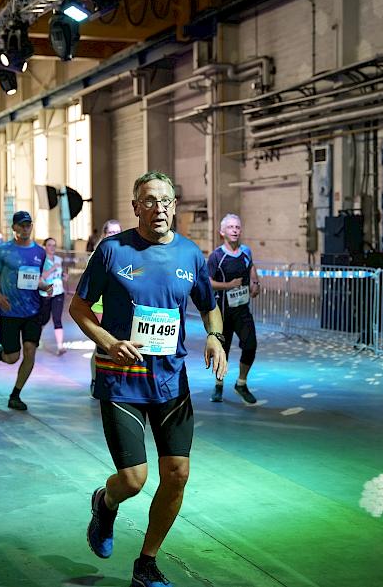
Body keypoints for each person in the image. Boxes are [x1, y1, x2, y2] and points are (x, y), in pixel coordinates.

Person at [69, 171, 227, 587]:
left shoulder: (191, 255)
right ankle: (105, 504)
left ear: (175, 206)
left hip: (171, 382)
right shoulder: (112, 251)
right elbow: (79, 307)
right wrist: (106, 340)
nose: (158, 208)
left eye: (166, 200)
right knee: (134, 480)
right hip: (121, 380)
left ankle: (146, 563)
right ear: (135, 206)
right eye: (149, 201)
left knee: (177, 474)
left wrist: (215, 336)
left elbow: (210, 306)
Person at [0, 210, 54, 410]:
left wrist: (45, 286)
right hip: (10, 311)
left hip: (33, 311)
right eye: (21, 225)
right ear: (13, 227)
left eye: (28, 225)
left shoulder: (39, 252)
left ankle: (16, 394)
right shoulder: (3, 251)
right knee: (12, 357)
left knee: (30, 352)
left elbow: (33, 279)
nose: (25, 228)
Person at [206, 213, 261, 404]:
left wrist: (255, 283)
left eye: (237, 227)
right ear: (222, 232)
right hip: (223, 311)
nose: (235, 230)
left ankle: (241, 383)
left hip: (242, 309)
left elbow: (251, 267)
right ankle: (218, 385)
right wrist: (229, 285)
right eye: (230, 227)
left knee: (251, 344)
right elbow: (208, 282)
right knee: (223, 350)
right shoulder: (216, 256)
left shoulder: (246, 251)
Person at [88, 219, 122, 393]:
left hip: (117, 306)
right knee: (101, 343)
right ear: (104, 234)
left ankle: (112, 379)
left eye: (118, 232)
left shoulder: (124, 254)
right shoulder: (97, 255)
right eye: (111, 232)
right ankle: (96, 379)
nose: (114, 235)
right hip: (99, 305)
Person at [39, 237, 67, 355]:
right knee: (43, 319)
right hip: (45, 293)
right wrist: (52, 268)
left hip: (58, 292)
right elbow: (42, 277)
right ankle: (36, 338)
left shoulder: (59, 259)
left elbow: (60, 274)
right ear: (45, 246)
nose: (52, 248)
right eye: (49, 245)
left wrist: (64, 276)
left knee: (57, 319)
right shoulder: (41, 260)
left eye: (54, 245)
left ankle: (60, 346)